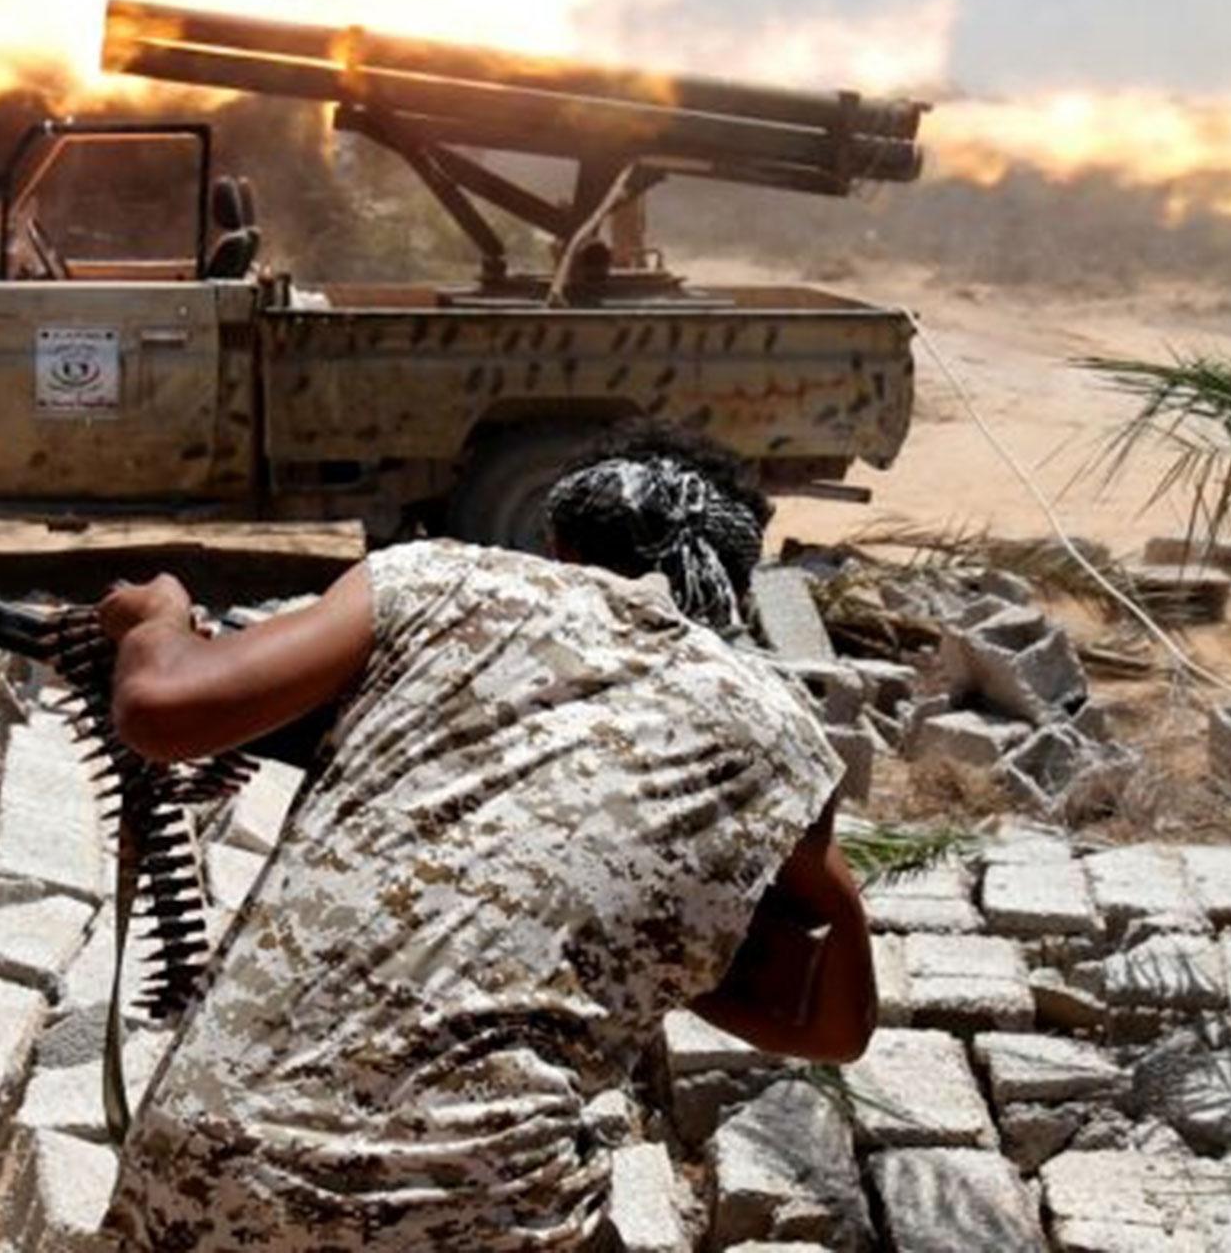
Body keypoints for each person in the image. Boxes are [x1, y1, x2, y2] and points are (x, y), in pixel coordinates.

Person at [94, 426, 875, 1252]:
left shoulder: (440, 579)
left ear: (557, 542)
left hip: (204, 1168)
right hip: (473, 1214)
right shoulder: (773, 736)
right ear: (732, 590)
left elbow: (160, 709)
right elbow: (829, 1031)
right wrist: (825, 894)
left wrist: (158, 615)